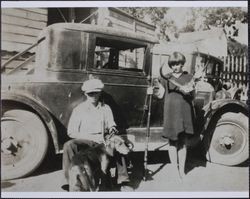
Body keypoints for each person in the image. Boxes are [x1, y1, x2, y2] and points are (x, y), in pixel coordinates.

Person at [62, 78, 130, 190]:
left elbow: (111, 124)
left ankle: (123, 181)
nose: (93, 96)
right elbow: (71, 132)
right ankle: (69, 180)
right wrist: (91, 137)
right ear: (85, 94)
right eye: (90, 94)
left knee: (119, 142)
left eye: (96, 93)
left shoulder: (106, 108)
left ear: (100, 93)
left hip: (102, 140)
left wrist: (112, 129)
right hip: (85, 140)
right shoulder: (79, 109)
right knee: (68, 145)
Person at [149, 51, 195, 180]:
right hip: (171, 113)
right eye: (173, 64)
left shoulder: (189, 77)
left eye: (178, 64)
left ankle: (182, 171)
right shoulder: (166, 77)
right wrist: (153, 92)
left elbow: (193, 97)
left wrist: (188, 92)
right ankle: (175, 170)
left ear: (182, 64)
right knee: (172, 143)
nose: (176, 67)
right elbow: (161, 95)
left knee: (183, 143)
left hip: (185, 113)